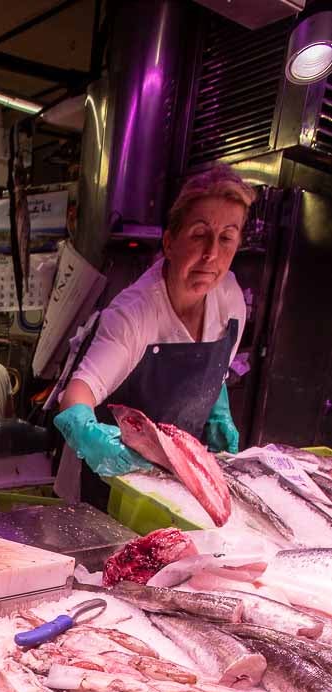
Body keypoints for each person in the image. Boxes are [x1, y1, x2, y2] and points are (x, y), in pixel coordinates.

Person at [54, 165, 254, 505]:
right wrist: (92, 438)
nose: (211, 254)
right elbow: (75, 396)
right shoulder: (135, 312)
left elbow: (215, 371)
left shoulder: (231, 299)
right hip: (108, 484)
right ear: (170, 242)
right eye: (199, 234)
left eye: (226, 238)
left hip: (175, 486)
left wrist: (219, 410)